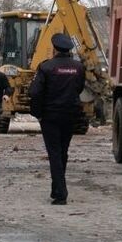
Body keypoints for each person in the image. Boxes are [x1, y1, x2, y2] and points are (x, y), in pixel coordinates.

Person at [28, 33, 86, 205]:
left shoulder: (46, 67)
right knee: (62, 151)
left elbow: (35, 92)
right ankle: (56, 189)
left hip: (50, 116)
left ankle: (61, 193)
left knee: (54, 153)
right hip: (70, 115)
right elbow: (79, 88)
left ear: (54, 48)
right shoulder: (78, 67)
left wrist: (37, 113)